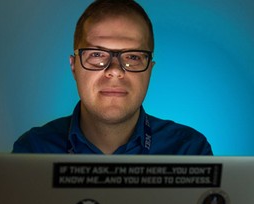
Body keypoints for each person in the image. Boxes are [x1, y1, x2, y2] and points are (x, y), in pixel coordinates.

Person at [13, 0, 213, 155]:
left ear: (150, 70)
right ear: (74, 67)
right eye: (97, 55)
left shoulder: (188, 150)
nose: (115, 70)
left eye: (133, 57)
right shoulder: (33, 150)